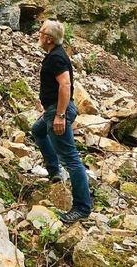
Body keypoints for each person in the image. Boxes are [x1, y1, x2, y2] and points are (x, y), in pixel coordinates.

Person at [31, 20, 92, 223]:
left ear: (49, 38)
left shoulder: (56, 58)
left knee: (72, 160)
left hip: (58, 112)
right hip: (55, 109)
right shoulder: (54, 55)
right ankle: (54, 171)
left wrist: (59, 115)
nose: (38, 34)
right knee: (37, 131)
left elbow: (65, 85)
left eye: (41, 32)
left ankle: (82, 208)